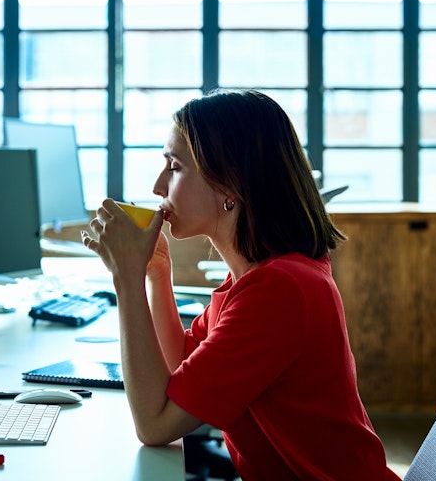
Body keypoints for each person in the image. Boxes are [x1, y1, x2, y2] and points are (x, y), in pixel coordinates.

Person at [81, 88, 400, 480]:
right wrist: (155, 273)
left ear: (229, 184)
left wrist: (125, 280)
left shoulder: (278, 292)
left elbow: (154, 424)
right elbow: (182, 369)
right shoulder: (258, 278)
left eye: (175, 167)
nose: (157, 186)